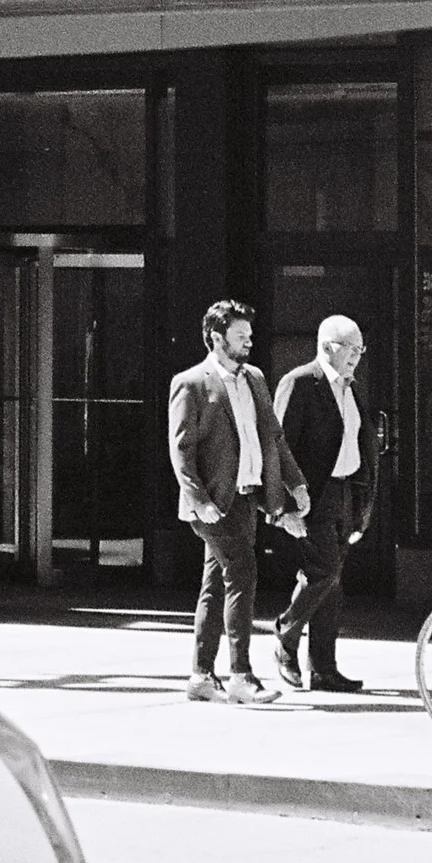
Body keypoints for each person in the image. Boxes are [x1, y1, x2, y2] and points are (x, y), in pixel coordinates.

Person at [169, 297, 307, 704]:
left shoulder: (256, 380)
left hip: (246, 498)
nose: (249, 342)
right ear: (216, 338)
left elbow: (273, 437)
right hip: (211, 503)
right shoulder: (191, 383)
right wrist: (200, 500)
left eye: (249, 335)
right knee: (243, 574)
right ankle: (241, 675)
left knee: (216, 584)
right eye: (240, 336)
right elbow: (181, 450)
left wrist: (294, 484)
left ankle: (200, 675)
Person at [271, 314, 380, 695]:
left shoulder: (352, 388)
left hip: (346, 491)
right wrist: (283, 506)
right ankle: (285, 634)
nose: (357, 356)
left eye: (360, 349)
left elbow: (360, 443)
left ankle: (323, 668)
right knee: (324, 571)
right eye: (350, 348)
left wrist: (363, 501)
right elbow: (278, 448)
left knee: (332, 582)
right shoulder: (300, 383)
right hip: (312, 496)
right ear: (328, 346)